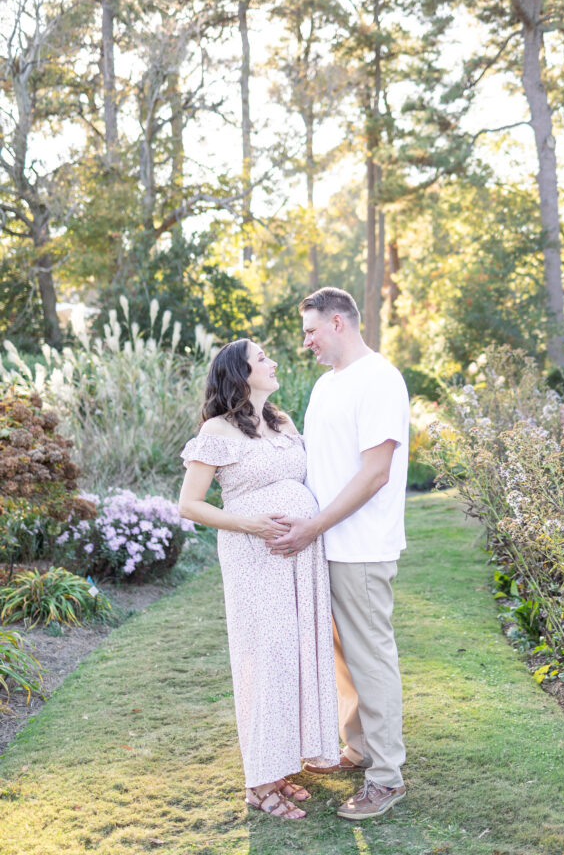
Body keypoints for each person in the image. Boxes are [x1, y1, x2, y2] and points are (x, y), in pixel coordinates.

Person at [178, 338, 339, 820]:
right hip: (256, 558)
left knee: (297, 653)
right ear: (240, 374)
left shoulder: (282, 422)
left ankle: (282, 763)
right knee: (268, 659)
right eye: (263, 358)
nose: (272, 362)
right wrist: (250, 523)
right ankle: (259, 782)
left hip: (301, 558)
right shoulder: (217, 432)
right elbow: (190, 504)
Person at [268, 287, 410, 820]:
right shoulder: (329, 385)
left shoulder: (379, 380)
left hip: (361, 546)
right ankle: (360, 748)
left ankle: (387, 777)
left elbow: (375, 473)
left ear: (338, 323)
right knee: (344, 657)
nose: (305, 342)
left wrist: (314, 527)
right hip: (326, 543)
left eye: (310, 331)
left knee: (370, 658)